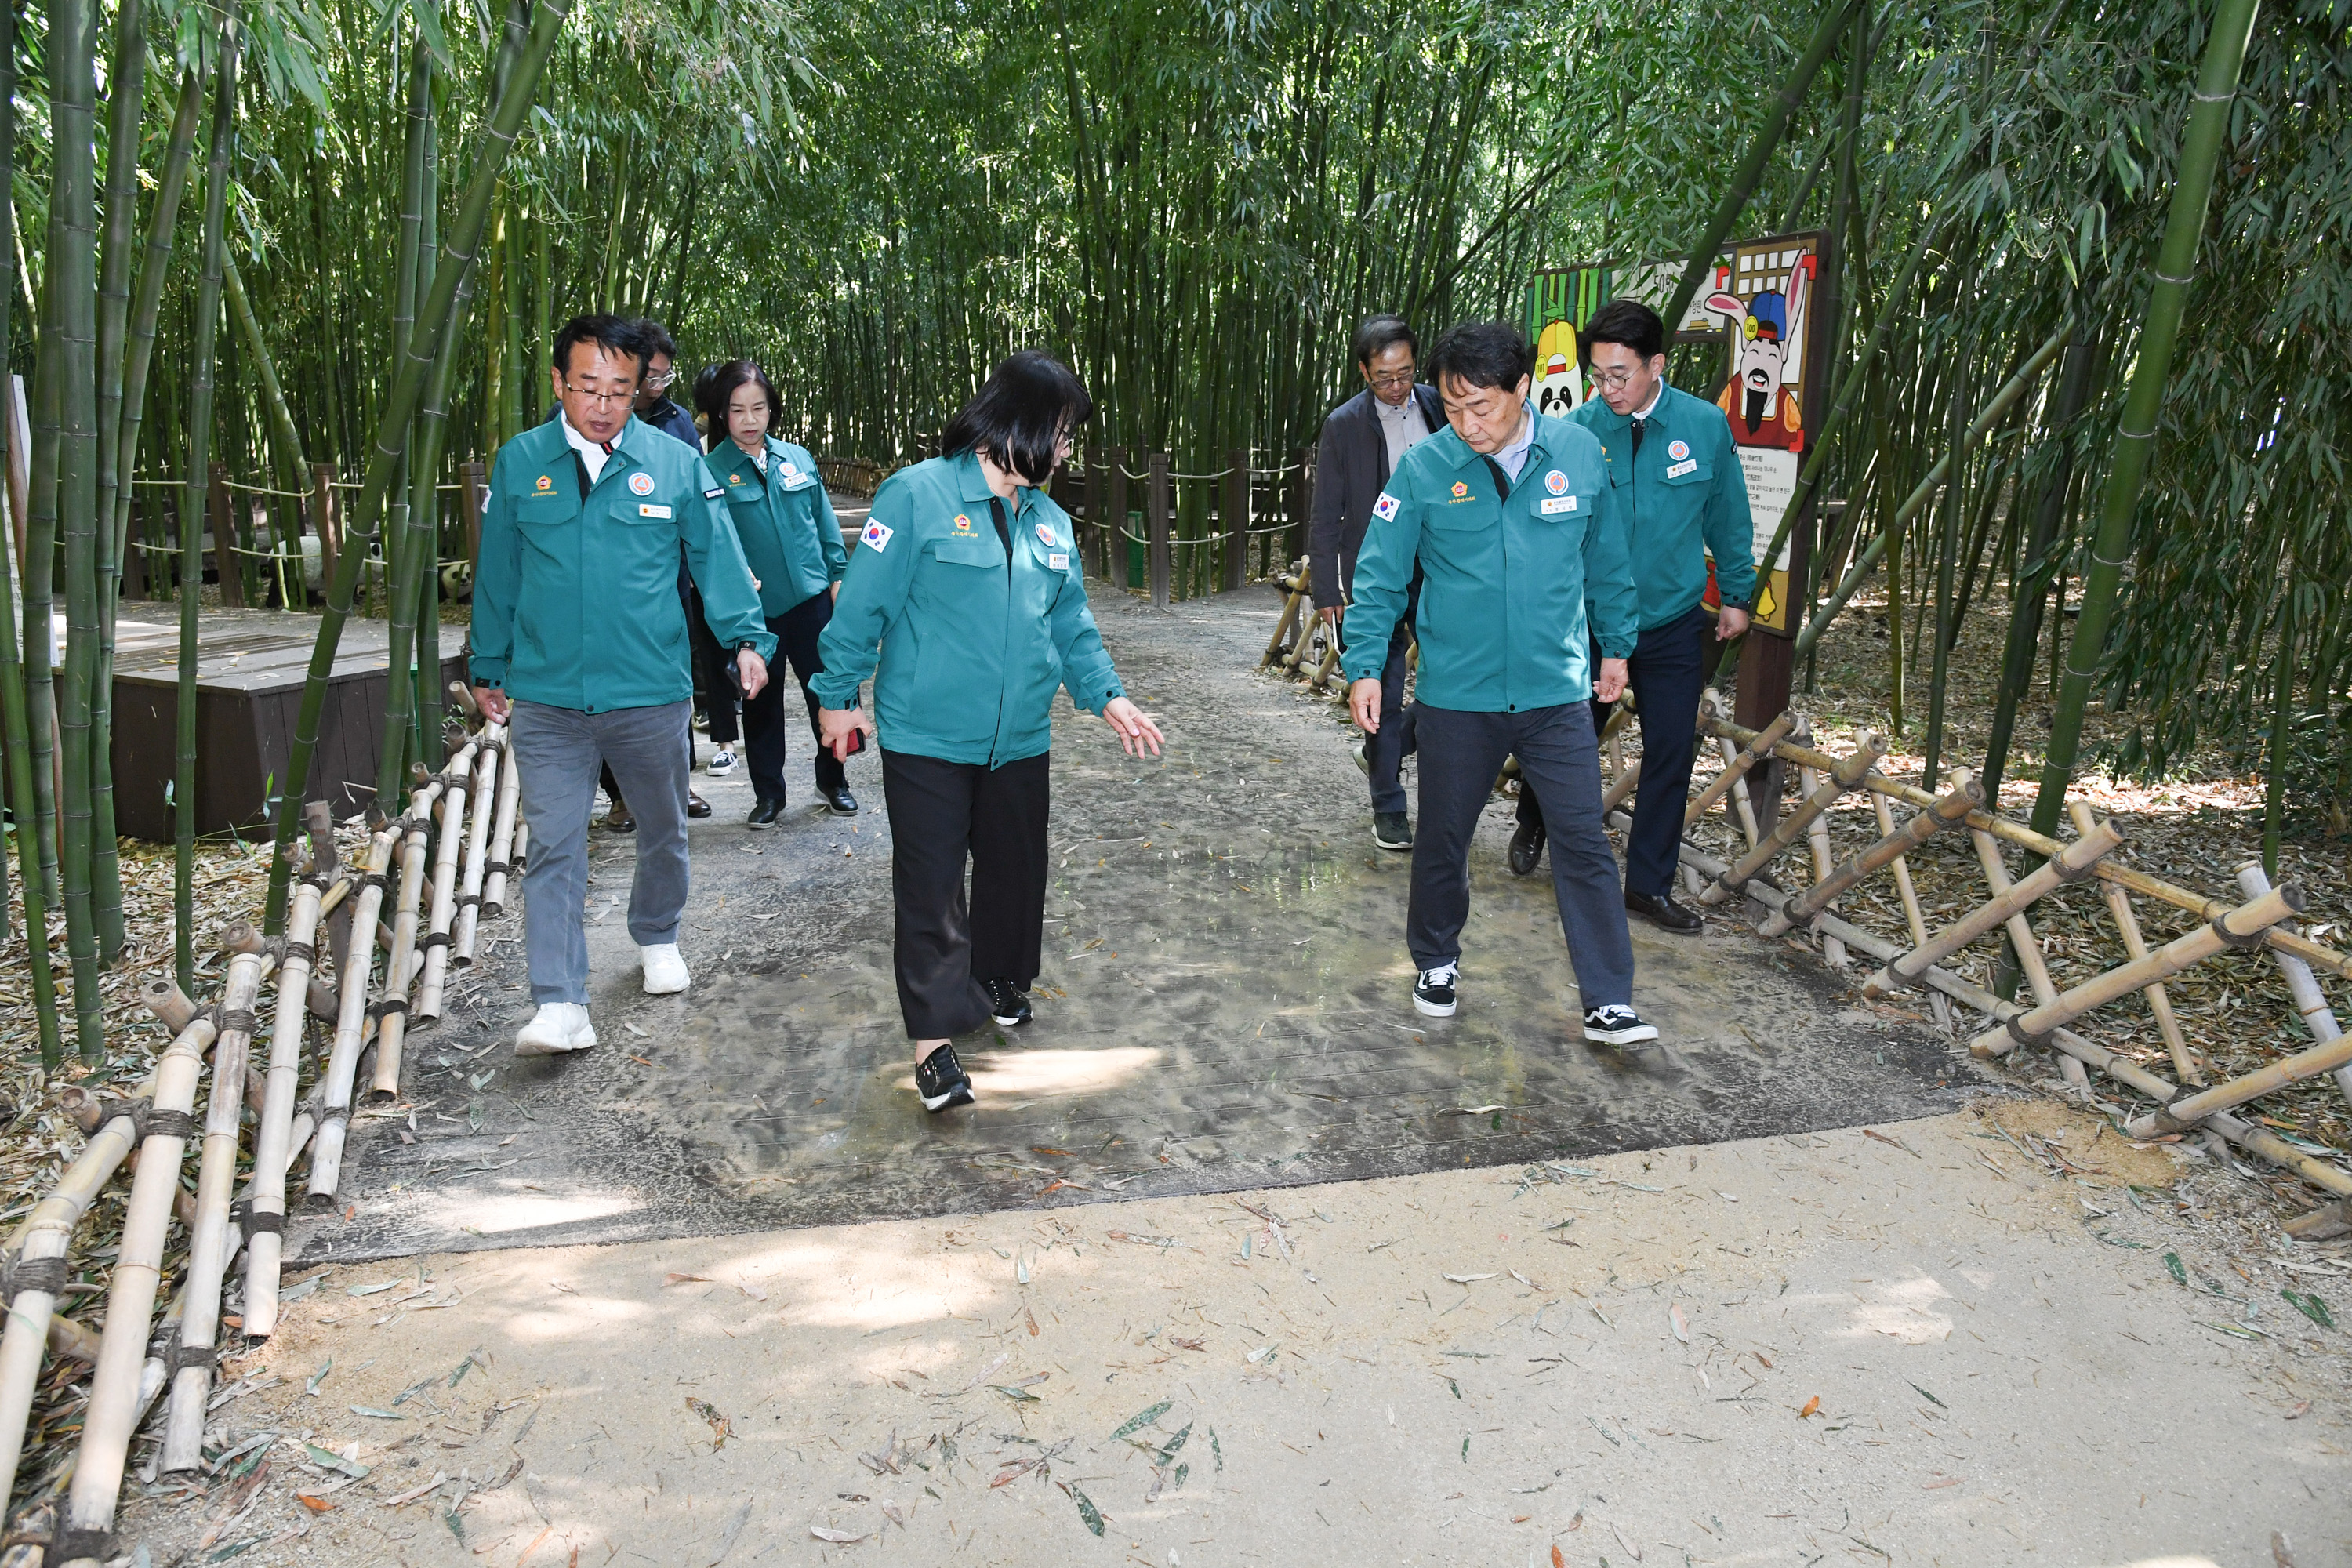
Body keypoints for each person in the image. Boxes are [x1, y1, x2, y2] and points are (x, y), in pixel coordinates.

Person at [813, 351, 1164, 1112]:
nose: (1066, 452)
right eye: (1061, 435)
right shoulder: (916, 495)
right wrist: (836, 695)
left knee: (1014, 872)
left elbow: (1071, 623)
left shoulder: (1050, 520)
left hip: (1021, 737)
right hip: (928, 735)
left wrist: (1108, 696)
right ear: (1021, 423)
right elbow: (864, 604)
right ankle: (933, 1046)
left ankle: (1000, 977)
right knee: (932, 887)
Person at [1342, 321, 1657, 1047]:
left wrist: (1617, 646)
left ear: (1522, 389)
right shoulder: (1424, 468)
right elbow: (1380, 575)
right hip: (1459, 695)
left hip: (1555, 693)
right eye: (1452, 408)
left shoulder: (1578, 453)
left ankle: (1609, 1000)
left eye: (1481, 406)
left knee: (1582, 842)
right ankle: (1436, 960)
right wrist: (1364, 666)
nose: (1467, 424)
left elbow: (1606, 559)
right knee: (1444, 838)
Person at [470, 314, 775, 1058]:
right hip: (549, 694)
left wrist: (746, 637)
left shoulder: (674, 462)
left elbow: (715, 555)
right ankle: (560, 1003)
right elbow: (500, 571)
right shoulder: (521, 462)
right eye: (587, 387)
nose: (603, 404)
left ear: (640, 389)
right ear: (558, 383)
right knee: (554, 845)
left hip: (649, 689)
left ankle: (657, 934)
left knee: (664, 828)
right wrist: (488, 663)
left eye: (619, 389)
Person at [1505, 299, 1754, 936]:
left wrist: (1736, 592)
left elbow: (1728, 513)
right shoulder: (1575, 433)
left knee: (1672, 748)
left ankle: (1647, 886)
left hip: (1671, 618)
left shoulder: (1703, 425)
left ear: (1656, 365)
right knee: (1565, 735)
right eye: (1598, 375)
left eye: (1620, 375)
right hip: (1591, 621)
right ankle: (1533, 819)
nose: (1607, 389)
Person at [697, 359, 858, 824]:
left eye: (758, 408)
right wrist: (733, 580)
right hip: (755, 613)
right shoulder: (709, 471)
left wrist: (838, 575)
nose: (749, 420)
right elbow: (712, 541)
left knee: (827, 692)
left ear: (772, 410)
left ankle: (834, 781)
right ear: (722, 414)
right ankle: (769, 794)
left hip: (812, 601)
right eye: (737, 410)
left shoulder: (797, 458)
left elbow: (824, 522)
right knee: (761, 705)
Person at [1310, 314, 1445, 851]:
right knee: (1380, 689)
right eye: (1384, 377)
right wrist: (1327, 591)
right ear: (1364, 372)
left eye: (1405, 374)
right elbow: (1326, 515)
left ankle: (1386, 749)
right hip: (1375, 570)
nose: (1397, 386)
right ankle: (1388, 804)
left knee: (1451, 677)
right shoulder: (1344, 425)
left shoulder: (1442, 404)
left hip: (1438, 567)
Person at [599, 320, 725, 826]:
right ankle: (620, 795)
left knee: (673, 684)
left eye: (664, 377)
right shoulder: (588, 417)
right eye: (650, 375)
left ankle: (678, 783)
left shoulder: (677, 423)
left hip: (668, 583)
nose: (657, 386)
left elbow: (700, 502)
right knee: (607, 688)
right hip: (602, 584)